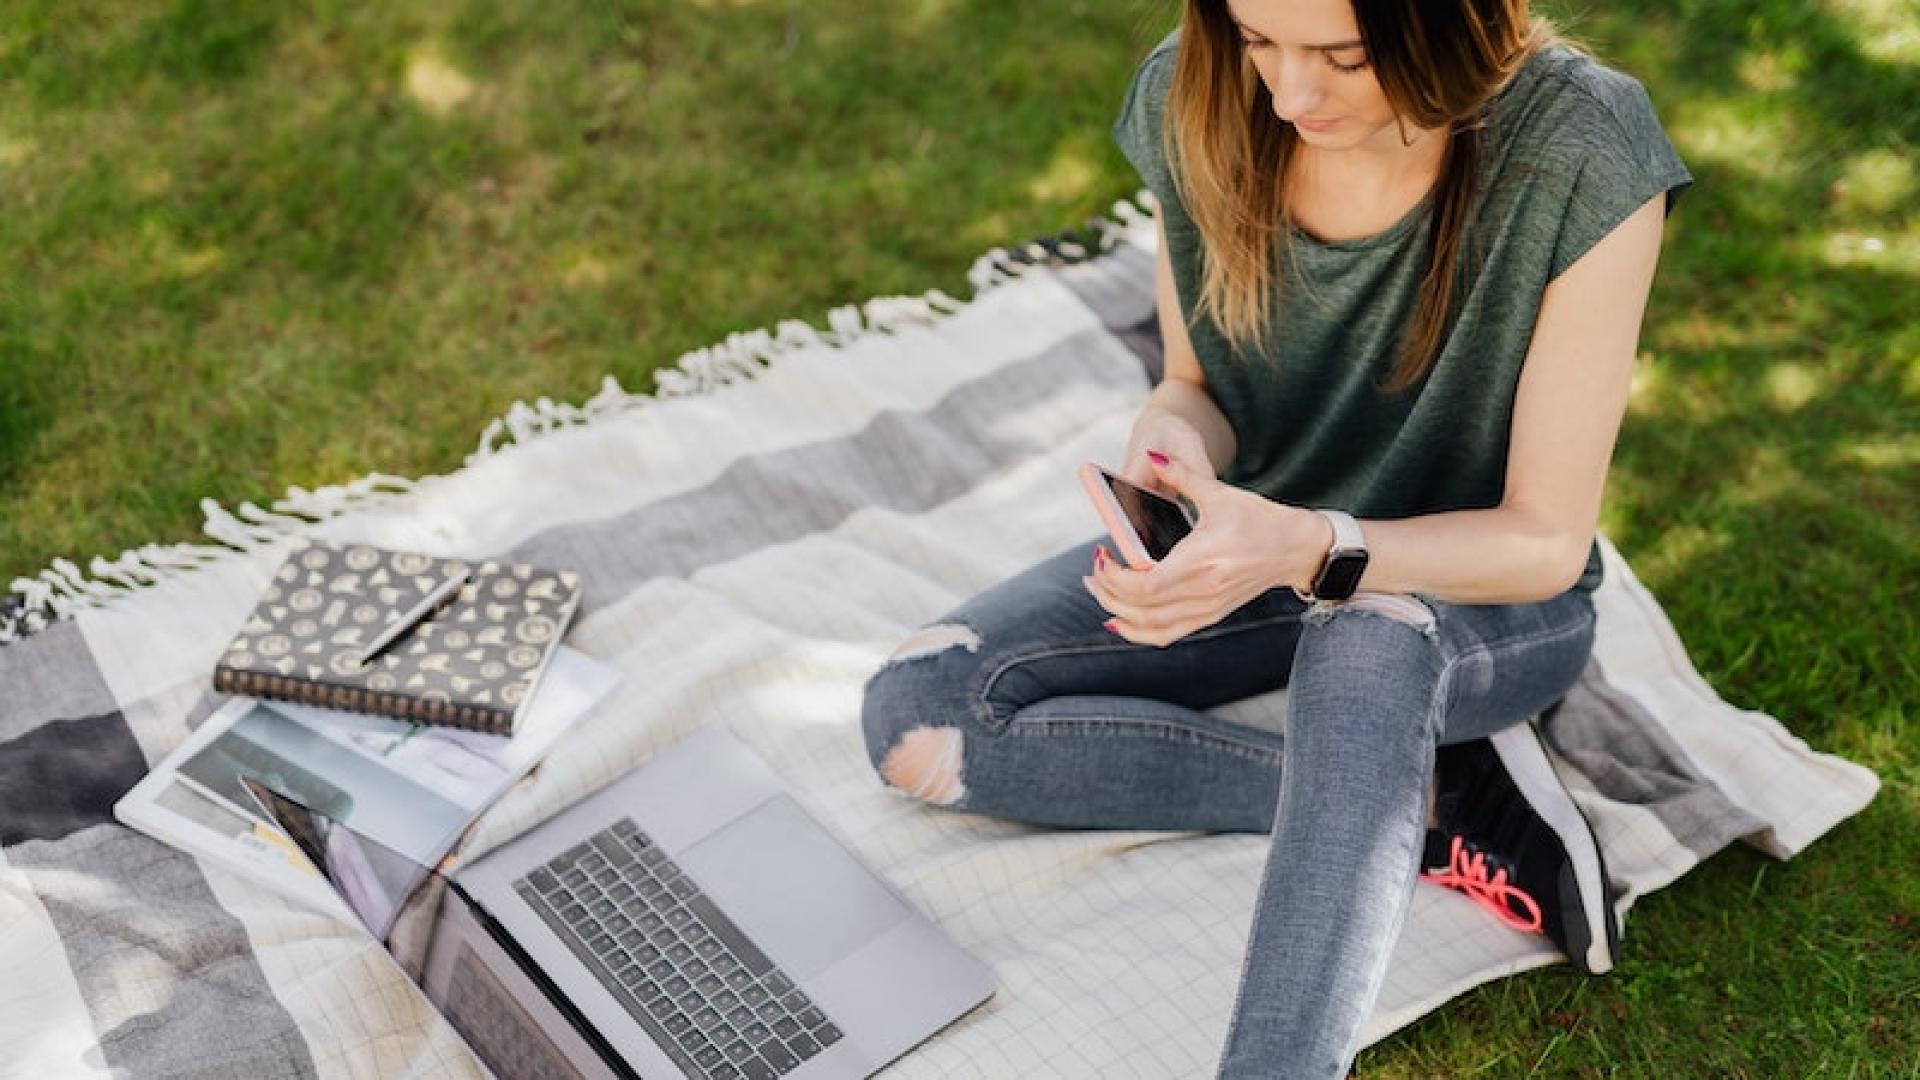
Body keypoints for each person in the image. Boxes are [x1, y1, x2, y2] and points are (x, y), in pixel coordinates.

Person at [860, 0, 1692, 1075]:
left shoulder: (1583, 144)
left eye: (1343, 57)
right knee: (921, 712)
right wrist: (1172, 454)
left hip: (1480, 593)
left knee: (1365, 633)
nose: (1290, 97)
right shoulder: (1193, 94)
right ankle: (1438, 804)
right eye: (1260, 42)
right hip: (1259, 542)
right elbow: (1195, 385)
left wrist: (1309, 551)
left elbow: (1541, 540)